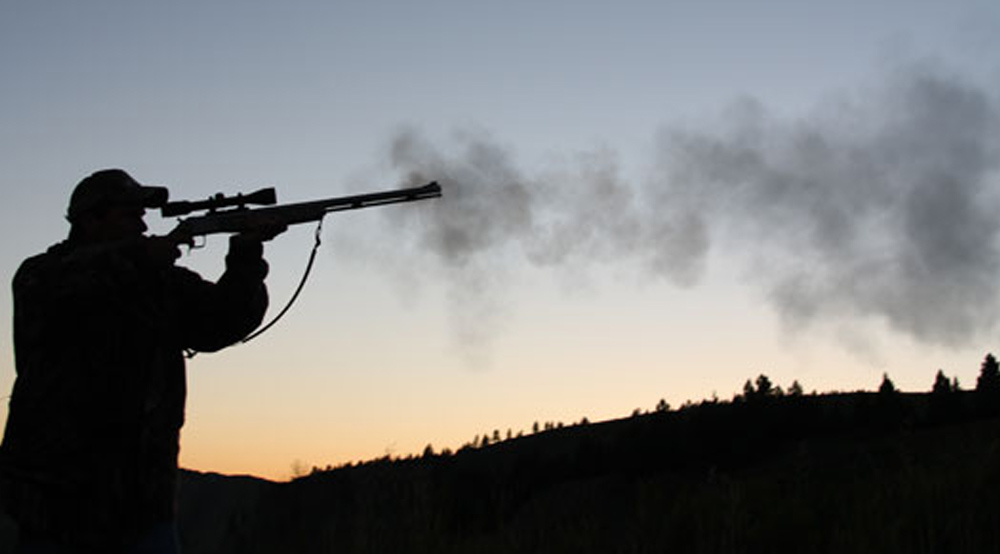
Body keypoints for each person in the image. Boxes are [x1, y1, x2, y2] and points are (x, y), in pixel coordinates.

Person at [0, 169, 283, 553]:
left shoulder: (159, 280)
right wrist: (144, 259)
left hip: (142, 503)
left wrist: (247, 254)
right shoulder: (41, 276)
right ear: (90, 219)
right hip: (55, 501)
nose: (142, 225)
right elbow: (75, 288)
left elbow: (223, 321)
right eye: (129, 215)